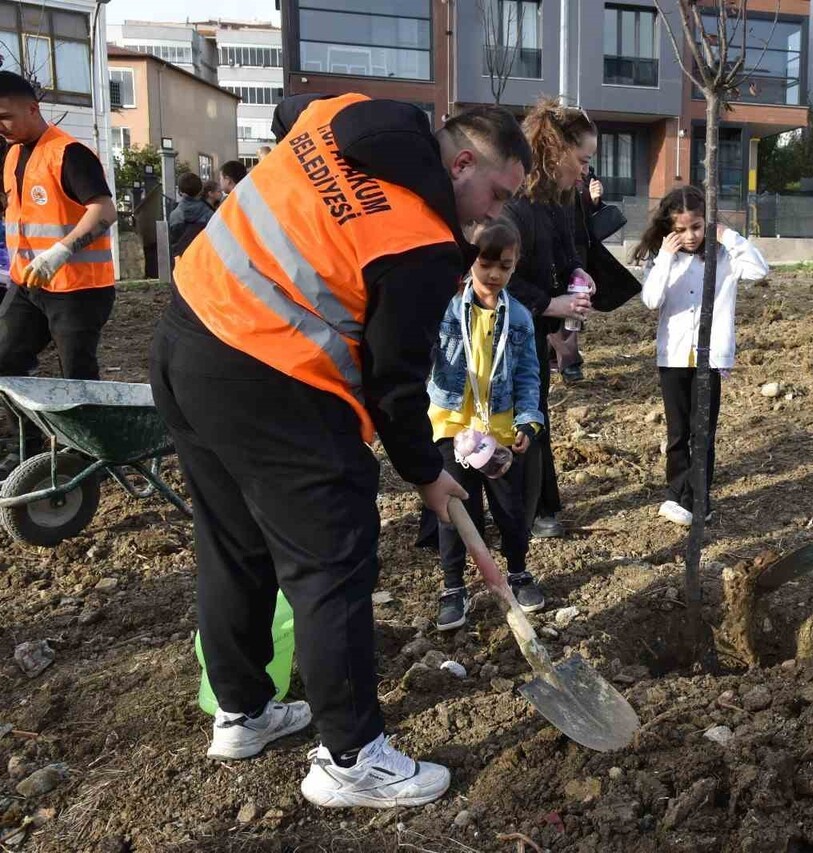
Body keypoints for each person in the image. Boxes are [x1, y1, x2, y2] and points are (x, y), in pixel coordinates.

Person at [149, 92, 530, 808]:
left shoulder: (345, 112)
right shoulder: (418, 239)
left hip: (187, 333)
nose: (492, 213)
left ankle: (243, 709)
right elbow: (393, 385)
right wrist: (426, 472)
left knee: (234, 540)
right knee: (334, 557)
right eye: (497, 192)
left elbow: (289, 113)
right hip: (270, 371)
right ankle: (352, 757)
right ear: (465, 161)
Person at [427, 218, 546, 630]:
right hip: (450, 427)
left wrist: (528, 423)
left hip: (498, 431)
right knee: (456, 510)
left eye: (505, 267)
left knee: (511, 509)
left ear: (515, 267)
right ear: (470, 260)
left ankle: (518, 570)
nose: (494, 274)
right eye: (486, 264)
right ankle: (453, 586)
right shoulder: (443, 307)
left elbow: (530, 375)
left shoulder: (520, 320)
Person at [0, 71, 117, 476]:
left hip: (78, 288)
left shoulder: (69, 153)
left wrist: (62, 250)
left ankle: (90, 455)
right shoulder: (12, 154)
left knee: (77, 373)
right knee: (5, 358)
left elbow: (104, 210)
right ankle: (28, 447)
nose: (1, 126)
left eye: (5, 116)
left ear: (33, 108)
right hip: (27, 284)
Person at [634, 186, 768, 527]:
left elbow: (759, 270)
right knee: (678, 432)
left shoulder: (724, 256)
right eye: (680, 229)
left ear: (707, 223)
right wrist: (665, 256)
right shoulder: (664, 260)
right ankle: (674, 493)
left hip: (710, 358)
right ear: (669, 230)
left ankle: (699, 498)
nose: (690, 236)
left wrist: (728, 236)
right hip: (674, 357)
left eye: (696, 227)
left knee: (703, 432)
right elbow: (650, 300)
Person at [504, 98, 597, 539]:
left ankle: (539, 508)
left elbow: (567, 252)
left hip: (531, 331)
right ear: (554, 151)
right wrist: (549, 304)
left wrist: (578, 274)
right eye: (581, 160)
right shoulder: (512, 204)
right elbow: (492, 275)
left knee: (533, 414)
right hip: (499, 333)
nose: (583, 172)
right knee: (507, 418)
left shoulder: (554, 201)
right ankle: (514, 512)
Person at [546, 168, 603, 383]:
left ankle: (558, 356)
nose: (583, 168)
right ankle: (568, 360)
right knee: (558, 301)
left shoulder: (587, 175)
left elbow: (583, 215)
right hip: (554, 245)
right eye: (582, 159)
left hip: (578, 247)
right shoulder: (551, 175)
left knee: (575, 300)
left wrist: (593, 199)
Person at [168, 172, 214, 257]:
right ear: (200, 190)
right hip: (204, 259)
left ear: (180, 192)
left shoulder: (175, 215)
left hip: (183, 262)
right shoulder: (210, 214)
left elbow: (174, 242)